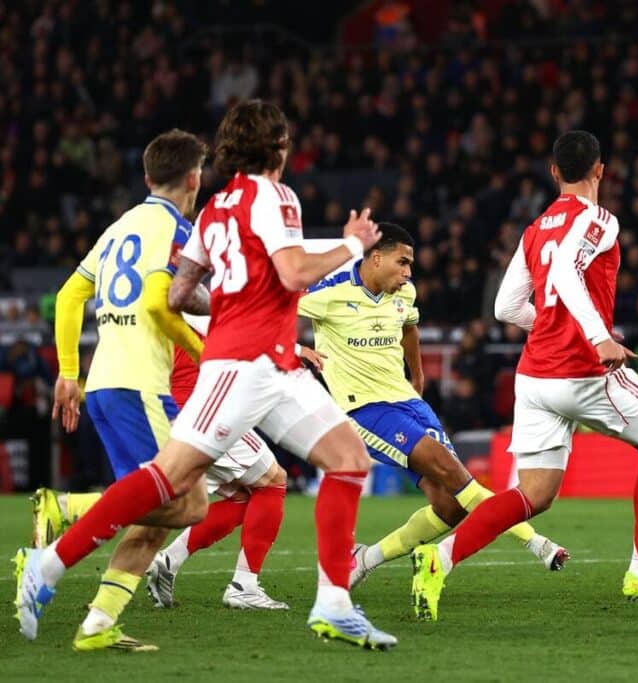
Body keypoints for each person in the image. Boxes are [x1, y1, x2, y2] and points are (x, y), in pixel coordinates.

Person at [14, 100, 397, 650]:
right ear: (278, 147)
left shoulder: (216, 209)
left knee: (348, 459)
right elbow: (292, 272)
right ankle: (48, 565)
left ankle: (334, 603)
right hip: (240, 367)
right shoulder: (276, 195)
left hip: (273, 363)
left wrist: (234, 296)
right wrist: (352, 246)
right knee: (170, 483)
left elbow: (179, 291)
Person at [410, 130, 638, 621]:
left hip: (535, 378)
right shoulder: (599, 218)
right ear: (600, 170)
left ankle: (440, 558)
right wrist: (597, 337)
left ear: (553, 172)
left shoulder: (536, 228)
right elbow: (566, 274)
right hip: (584, 372)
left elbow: (506, 306)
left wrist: (547, 324)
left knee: (533, 495)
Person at [297, 223, 567, 588]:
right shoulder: (328, 293)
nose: (408, 272)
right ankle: (538, 544)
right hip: (366, 409)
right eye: (402, 262)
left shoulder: (404, 293)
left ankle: (364, 559)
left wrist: (418, 376)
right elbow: (269, 309)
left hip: (408, 400)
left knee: (451, 505)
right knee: (452, 470)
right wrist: (298, 349)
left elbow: (409, 328)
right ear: (375, 258)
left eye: (410, 265)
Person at [24, 129, 211, 652]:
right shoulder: (178, 229)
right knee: (192, 503)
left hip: (104, 383)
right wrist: (204, 349)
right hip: (140, 388)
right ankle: (58, 545)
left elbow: (67, 296)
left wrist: (67, 372)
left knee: (156, 513)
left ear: (150, 177)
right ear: (194, 179)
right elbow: (156, 303)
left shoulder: (120, 225)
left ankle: (98, 624)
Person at [36, 313, 298, 610]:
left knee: (200, 500)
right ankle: (244, 586)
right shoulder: (181, 293)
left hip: (166, 409)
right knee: (272, 481)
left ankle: (157, 570)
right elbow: (235, 332)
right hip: (201, 409)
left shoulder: (145, 301)